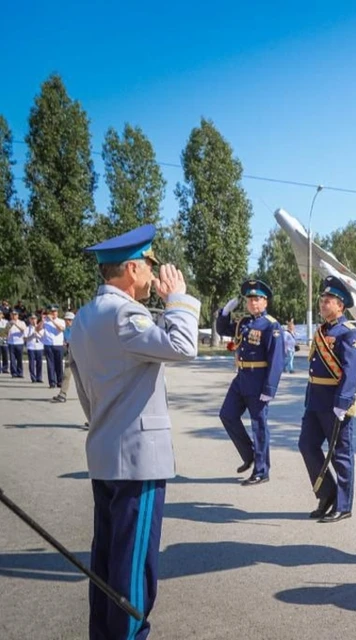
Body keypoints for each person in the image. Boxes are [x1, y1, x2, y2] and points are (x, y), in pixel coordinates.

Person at [69, 224, 200, 639]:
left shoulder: (86, 316)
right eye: (147, 265)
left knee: (107, 560)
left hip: (106, 451)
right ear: (129, 269)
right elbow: (182, 347)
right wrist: (177, 300)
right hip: (137, 461)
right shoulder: (124, 313)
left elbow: (86, 392)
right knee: (134, 568)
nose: (152, 273)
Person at [298, 276, 356, 523]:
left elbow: (352, 370)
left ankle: (343, 505)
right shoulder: (322, 331)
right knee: (306, 445)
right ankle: (327, 493)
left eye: (329, 301)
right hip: (315, 401)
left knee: (340, 454)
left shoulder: (348, 333)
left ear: (341, 306)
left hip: (335, 404)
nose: (323, 304)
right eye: (322, 300)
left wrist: (343, 402)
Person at [216, 280, 285, 486]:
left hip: (258, 379)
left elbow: (277, 360)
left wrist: (269, 388)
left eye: (257, 299)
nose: (253, 303)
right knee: (227, 415)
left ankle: (262, 470)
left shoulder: (271, 325)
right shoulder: (244, 323)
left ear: (265, 302)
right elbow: (222, 329)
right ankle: (250, 455)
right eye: (250, 299)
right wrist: (225, 313)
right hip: (242, 376)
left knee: (259, 425)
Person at [51, 311, 76, 402]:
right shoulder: (66, 330)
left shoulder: (78, 329)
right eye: (66, 320)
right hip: (70, 354)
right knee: (66, 374)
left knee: (84, 378)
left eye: (69, 320)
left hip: (79, 355)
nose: (67, 322)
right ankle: (62, 394)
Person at [41, 304, 66, 388]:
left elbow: (61, 329)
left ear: (57, 312)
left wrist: (52, 320)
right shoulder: (45, 322)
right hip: (48, 345)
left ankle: (60, 382)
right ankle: (52, 382)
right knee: (50, 364)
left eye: (54, 311)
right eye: (52, 312)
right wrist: (42, 320)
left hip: (58, 345)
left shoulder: (61, 321)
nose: (53, 313)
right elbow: (37, 329)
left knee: (59, 364)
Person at [25, 313, 44, 383]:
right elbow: (25, 338)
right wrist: (32, 335)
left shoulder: (41, 328)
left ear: (37, 320)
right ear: (29, 320)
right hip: (31, 347)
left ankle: (39, 377)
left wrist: (38, 334)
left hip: (39, 347)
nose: (33, 320)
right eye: (32, 319)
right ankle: (33, 378)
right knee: (32, 363)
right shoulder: (27, 328)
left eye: (34, 319)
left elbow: (43, 338)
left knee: (39, 363)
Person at [6, 309, 25, 378]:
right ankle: (13, 373)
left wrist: (15, 324)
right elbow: (5, 332)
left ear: (18, 316)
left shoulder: (21, 322)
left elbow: (23, 330)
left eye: (15, 315)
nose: (14, 316)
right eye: (12, 315)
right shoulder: (8, 323)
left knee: (19, 359)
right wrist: (9, 326)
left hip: (19, 342)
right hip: (11, 343)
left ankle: (20, 372)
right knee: (12, 359)